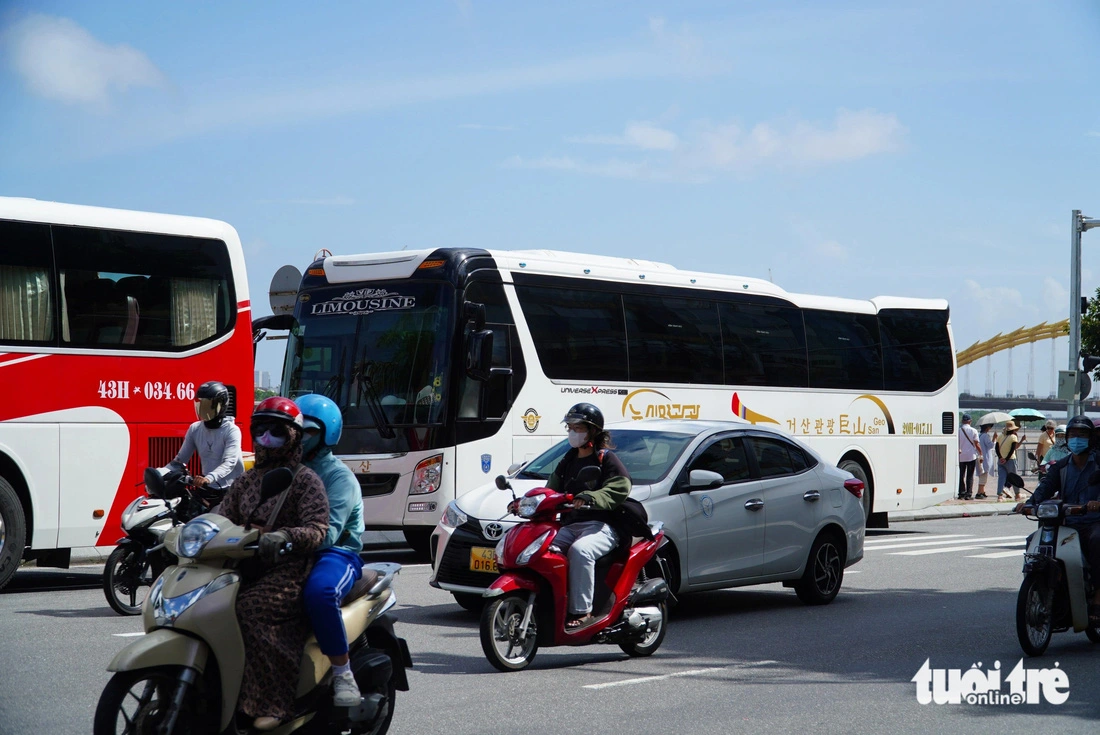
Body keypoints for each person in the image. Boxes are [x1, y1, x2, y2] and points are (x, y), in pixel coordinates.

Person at [215, 396, 329, 731]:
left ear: (293, 436)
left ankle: (274, 704)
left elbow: (318, 529)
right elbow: (222, 516)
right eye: (260, 429)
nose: (266, 438)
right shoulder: (246, 480)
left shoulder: (306, 480)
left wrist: (284, 537)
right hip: (243, 563)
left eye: (276, 430)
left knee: (251, 611)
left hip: (287, 569)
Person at [296, 394, 367, 707]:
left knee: (320, 593)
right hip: (291, 550)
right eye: (295, 430)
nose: (299, 438)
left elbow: (329, 535)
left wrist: (284, 538)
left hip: (334, 554)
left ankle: (342, 673)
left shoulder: (339, 477)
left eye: (307, 431)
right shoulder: (282, 468)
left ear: (327, 433)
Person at [538, 403, 631, 629]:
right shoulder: (568, 459)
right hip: (570, 525)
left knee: (581, 551)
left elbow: (621, 487)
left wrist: (591, 497)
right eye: (569, 427)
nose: (572, 432)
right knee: (543, 551)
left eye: (578, 428)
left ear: (592, 431)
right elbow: (551, 488)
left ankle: (583, 612)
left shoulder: (605, 458)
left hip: (602, 526)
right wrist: (528, 502)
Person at [1020, 415, 1100, 622]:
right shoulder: (1061, 466)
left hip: (1092, 522)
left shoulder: (1098, 464)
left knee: (1097, 541)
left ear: (1091, 438)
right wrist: (1030, 504)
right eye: (1073, 435)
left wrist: (1096, 503)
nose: (1077, 439)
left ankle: (1098, 599)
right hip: (1066, 524)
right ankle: (1041, 590)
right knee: (1033, 542)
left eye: (1082, 435)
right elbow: (1045, 488)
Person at [168, 380, 244, 502]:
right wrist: (160, 473)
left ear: (221, 405)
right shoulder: (195, 428)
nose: (203, 411)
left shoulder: (231, 430)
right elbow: (180, 460)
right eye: (200, 405)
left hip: (229, 490)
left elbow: (229, 462)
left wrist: (208, 478)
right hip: (207, 487)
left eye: (208, 406)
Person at [997, 419, 1022, 502]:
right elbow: (1012, 449)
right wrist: (1006, 459)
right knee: (1014, 477)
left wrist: (1001, 457)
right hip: (1010, 460)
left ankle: (1000, 496)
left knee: (1001, 478)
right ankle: (1017, 495)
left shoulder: (1000, 436)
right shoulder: (1013, 437)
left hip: (1000, 461)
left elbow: (996, 448)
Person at [957, 414, 980, 500]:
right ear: (970, 421)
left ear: (962, 421)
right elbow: (977, 444)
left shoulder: (958, 431)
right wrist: (981, 453)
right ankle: (968, 494)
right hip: (971, 456)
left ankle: (961, 493)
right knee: (970, 476)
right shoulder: (973, 431)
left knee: (961, 475)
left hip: (960, 456)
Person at [975, 423, 996, 498]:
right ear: (987, 428)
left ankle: (982, 491)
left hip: (979, 457)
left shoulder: (979, 435)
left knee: (982, 475)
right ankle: (979, 492)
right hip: (985, 458)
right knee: (984, 475)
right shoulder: (985, 436)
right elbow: (990, 445)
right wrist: (994, 438)